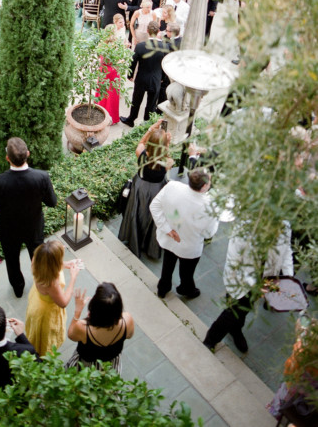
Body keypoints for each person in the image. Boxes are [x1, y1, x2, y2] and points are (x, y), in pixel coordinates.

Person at [203, 221, 294, 353]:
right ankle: (211, 339)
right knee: (231, 312)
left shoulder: (285, 225)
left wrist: (289, 277)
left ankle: (236, 329)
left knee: (245, 308)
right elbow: (235, 262)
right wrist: (257, 285)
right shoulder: (244, 228)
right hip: (240, 280)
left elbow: (286, 251)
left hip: (265, 279)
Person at [0, 137, 58, 297]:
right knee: (38, 258)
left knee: (12, 261)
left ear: (7, 158)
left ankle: (18, 289)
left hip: (8, 230)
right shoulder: (41, 177)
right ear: (28, 154)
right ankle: (42, 285)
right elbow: (52, 202)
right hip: (33, 228)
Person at [150, 168, 219, 299]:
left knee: (167, 264)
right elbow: (209, 233)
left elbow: (154, 206)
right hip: (189, 246)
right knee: (187, 272)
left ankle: (163, 288)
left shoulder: (172, 186)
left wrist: (167, 229)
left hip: (170, 240)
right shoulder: (210, 207)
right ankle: (186, 289)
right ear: (204, 186)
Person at [118, 121, 171, 259]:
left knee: (137, 212)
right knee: (154, 217)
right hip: (157, 191)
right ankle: (149, 245)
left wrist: (151, 129)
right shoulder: (167, 162)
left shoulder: (140, 153)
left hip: (140, 189)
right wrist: (167, 144)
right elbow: (167, 159)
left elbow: (142, 142)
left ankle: (134, 238)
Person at [25, 240, 80, 356]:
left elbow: (48, 262)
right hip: (46, 312)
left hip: (37, 300)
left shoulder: (37, 259)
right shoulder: (52, 282)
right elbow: (63, 302)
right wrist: (73, 277)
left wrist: (65, 264)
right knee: (45, 340)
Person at [66, 283, 135, 373]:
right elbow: (129, 336)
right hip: (110, 369)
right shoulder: (127, 321)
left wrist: (77, 311)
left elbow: (71, 335)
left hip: (85, 369)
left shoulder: (83, 328)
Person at [120, 21, 168, 126]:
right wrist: (162, 78)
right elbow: (165, 64)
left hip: (141, 78)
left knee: (136, 100)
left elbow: (133, 62)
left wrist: (130, 75)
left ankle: (131, 119)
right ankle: (147, 123)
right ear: (158, 31)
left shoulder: (140, 46)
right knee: (151, 104)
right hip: (156, 78)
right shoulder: (164, 47)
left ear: (147, 31)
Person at [96, 26, 121, 124]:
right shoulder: (115, 45)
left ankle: (100, 113)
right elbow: (117, 59)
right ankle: (111, 117)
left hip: (103, 69)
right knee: (112, 94)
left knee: (102, 91)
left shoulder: (101, 44)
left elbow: (99, 57)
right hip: (113, 70)